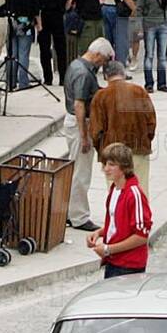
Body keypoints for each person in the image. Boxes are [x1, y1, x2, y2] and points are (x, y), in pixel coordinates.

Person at [88, 60, 158, 190]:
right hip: (138, 148)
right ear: (123, 73)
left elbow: (96, 131)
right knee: (140, 189)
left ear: (105, 76)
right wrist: (146, 140)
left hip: (112, 153)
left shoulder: (100, 96)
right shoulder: (139, 91)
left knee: (116, 191)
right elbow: (151, 122)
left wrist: (102, 154)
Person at [63, 40, 111, 226]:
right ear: (98, 55)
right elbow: (79, 105)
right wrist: (84, 136)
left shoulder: (77, 65)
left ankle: (71, 211)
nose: (103, 64)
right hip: (79, 125)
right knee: (81, 172)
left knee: (77, 169)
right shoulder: (83, 73)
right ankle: (79, 216)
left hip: (75, 122)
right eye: (104, 59)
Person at [88, 143, 152, 278]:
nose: (106, 169)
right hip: (114, 260)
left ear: (124, 167)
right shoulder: (115, 189)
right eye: (105, 164)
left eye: (111, 164)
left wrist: (108, 249)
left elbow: (141, 236)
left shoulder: (134, 194)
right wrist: (99, 233)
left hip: (129, 265)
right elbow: (117, 224)